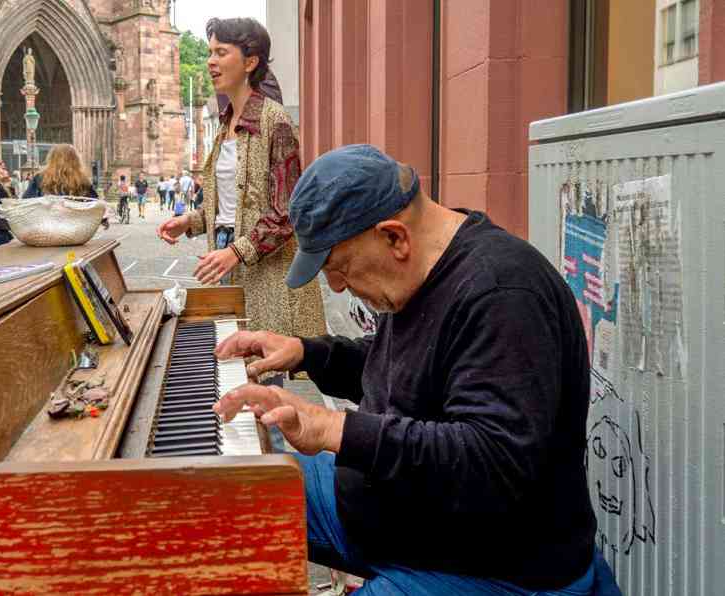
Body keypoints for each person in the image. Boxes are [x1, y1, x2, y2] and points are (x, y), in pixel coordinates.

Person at [211, 145, 622, 596]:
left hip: (496, 567)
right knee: (227, 490)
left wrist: (334, 429)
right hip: (391, 512)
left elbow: (493, 461)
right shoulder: (423, 266)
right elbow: (412, 369)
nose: (337, 285)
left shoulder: (502, 294)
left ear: (394, 237)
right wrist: (307, 353)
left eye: (339, 267)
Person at [157, 17, 325, 350]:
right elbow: (226, 205)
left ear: (250, 62)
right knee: (230, 353)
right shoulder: (224, 125)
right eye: (209, 52)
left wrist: (237, 251)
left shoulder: (274, 120)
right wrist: (189, 222)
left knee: (263, 358)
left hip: (266, 268)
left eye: (221, 52)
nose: (210, 61)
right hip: (224, 255)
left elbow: (287, 213)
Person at [23, 144, 99, 200]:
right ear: (76, 161)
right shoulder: (83, 181)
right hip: (77, 220)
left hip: (46, 220)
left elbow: (26, 202)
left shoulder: (39, 178)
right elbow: (94, 204)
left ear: (51, 159)